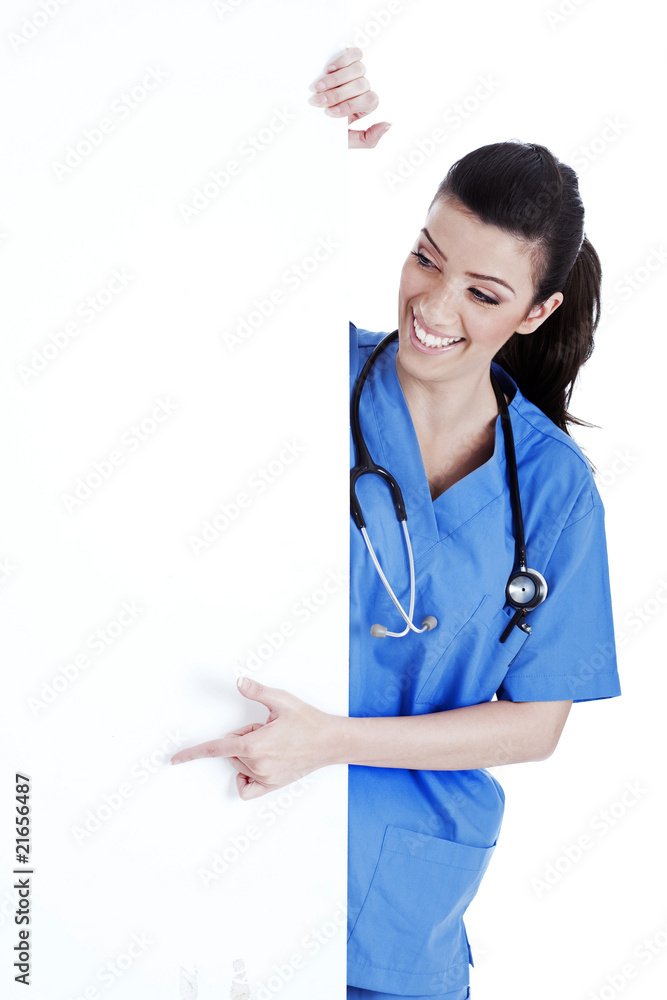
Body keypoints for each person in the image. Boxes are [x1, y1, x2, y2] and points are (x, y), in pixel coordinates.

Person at [171, 48, 622, 999]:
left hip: (397, 918)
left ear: (536, 313)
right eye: (427, 256)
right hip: (209, 857)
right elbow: (173, 283)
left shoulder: (552, 489)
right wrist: (289, 144)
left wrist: (333, 738)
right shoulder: (300, 370)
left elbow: (536, 723)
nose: (432, 304)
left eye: (483, 294)